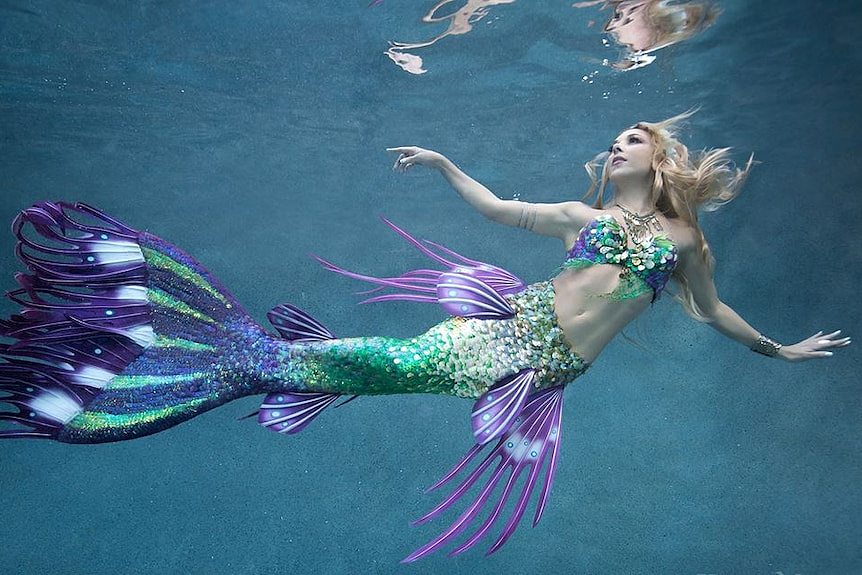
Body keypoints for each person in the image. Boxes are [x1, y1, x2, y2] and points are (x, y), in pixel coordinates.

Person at [0, 112, 849, 562]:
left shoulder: (689, 243)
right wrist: (446, 165)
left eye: (631, 138)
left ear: (659, 160)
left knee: (386, 367)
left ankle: (267, 364)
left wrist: (777, 349)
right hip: (508, 327)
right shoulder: (578, 215)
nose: (615, 145)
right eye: (616, 138)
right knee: (398, 362)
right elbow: (496, 207)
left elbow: (709, 309)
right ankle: (265, 363)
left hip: (542, 375)